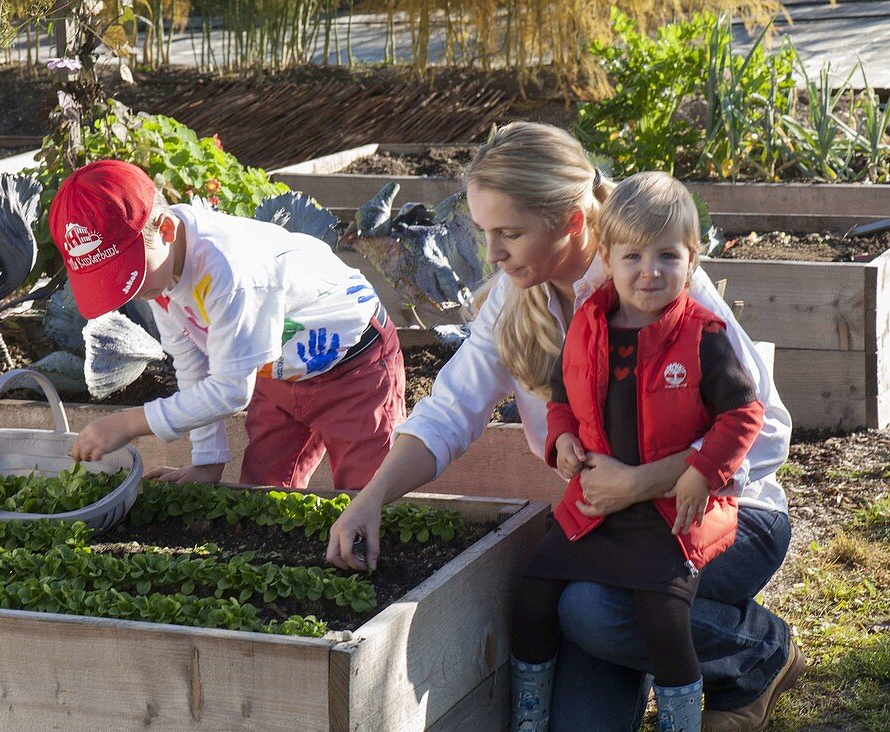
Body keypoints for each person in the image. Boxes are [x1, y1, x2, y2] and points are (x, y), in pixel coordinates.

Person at [325, 122, 803, 730]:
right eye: (485, 232)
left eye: (511, 234)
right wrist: (371, 499)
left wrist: (640, 482)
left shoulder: (653, 275)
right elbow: (450, 410)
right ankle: (658, 641)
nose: (493, 254)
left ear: (573, 223)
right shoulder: (514, 299)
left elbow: (766, 434)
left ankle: (759, 653)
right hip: (612, 531)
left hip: (728, 516)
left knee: (594, 611)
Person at [511, 171, 764, 732]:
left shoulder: (703, 335)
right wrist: (563, 440)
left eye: (667, 256)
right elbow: (562, 399)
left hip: (668, 515)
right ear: (606, 257)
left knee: (661, 613)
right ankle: (528, 715)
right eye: (632, 256)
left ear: (692, 260)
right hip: (596, 509)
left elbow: (744, 413)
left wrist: (703, 470)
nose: (650, 271)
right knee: (533, 597)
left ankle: (684, 716)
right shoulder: (587, 325)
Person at [50, 159, 406, 490]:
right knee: (261, 489)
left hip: (354, 367)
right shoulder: (160, 279)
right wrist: (208, 462)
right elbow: (193, 367)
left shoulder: (229, 270)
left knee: (368, 494)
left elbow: (231, 392)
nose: (131, 290)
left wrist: (128, 424)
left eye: (130, 273)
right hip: (276, 373)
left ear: (167, 230)